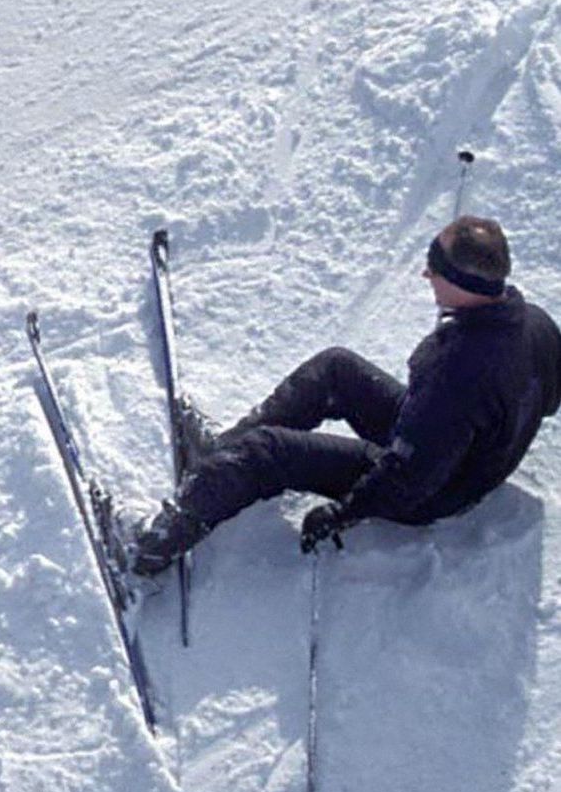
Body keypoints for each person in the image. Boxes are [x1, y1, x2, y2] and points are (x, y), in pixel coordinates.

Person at [127, 215, 561, 576]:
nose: (425, 273)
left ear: (463, 282)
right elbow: (549, 398)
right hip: (444, 445)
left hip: (431, 488)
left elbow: (412, 478)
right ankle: (222, 458)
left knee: (269, 452)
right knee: (336, 368)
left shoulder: (459, 372)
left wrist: (345, 512)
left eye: (434, 264)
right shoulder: (536, 324)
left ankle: (152, 546)